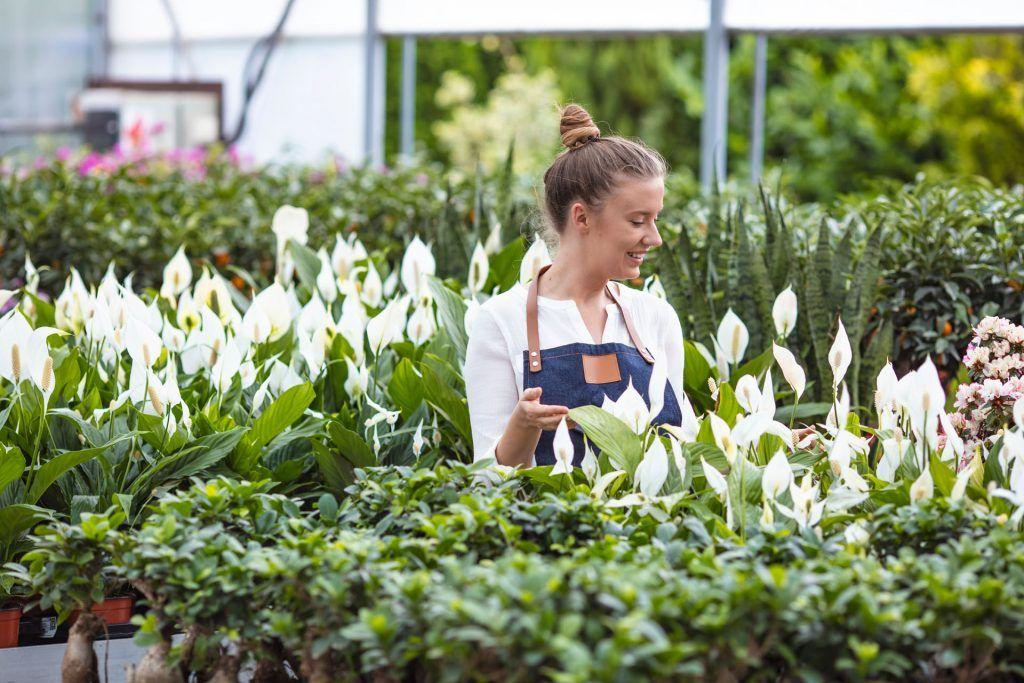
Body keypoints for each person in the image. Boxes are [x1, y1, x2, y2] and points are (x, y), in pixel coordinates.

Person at [465, 104, 684, 469]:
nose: (655, 238)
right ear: (581, 217)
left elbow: (682, 449)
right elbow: (486, 483)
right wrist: (522, 427)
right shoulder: (501, 321)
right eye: (637, 221)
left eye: (655, 219)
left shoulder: (655, 317)